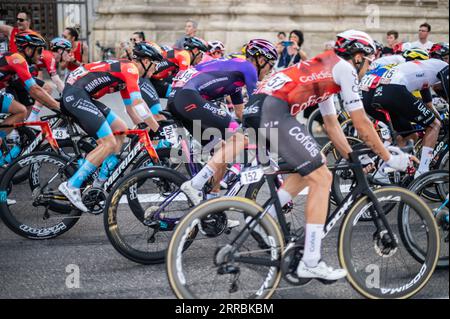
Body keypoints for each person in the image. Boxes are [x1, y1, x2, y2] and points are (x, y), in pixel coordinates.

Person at [181, 30, 413, 280]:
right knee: (322, 177)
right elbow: (362, 124)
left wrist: (352, 157)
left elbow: (332, 125)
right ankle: (311, 260)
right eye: (368, 62)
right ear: (358, 57)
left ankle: (267, 216)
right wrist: (389, 158)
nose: (368, 68)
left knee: (313, 165)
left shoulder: (325, 67)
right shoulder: (344, 69)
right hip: (273, 112)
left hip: (259, 110)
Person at [58, 45, 162, 212]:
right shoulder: (131, 69)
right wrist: (157, 128)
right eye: (156, 64)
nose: (157, 69)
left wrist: (143, 128)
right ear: (146, 61)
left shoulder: (127, 74)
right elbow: (139, 103)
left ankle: (100, 181)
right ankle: (72, 185)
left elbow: (131, 109)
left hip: (81, 93)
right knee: (108, 143)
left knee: (121, 129)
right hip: (76, 94)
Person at [173, 39, 277, 198]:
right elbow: (257, 102)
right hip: (188, 97)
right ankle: (195, 185)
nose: (271, 70)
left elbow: (242, 113)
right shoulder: (248, 67)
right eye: (271, 64)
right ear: (261, 60)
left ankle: (212, 207)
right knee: (240, 139)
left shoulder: (235, 76)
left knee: (221, 150)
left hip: (179, 100)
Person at [369, 57, 447, 178]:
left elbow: (429, 103)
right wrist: (440, 121)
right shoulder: (444, 67)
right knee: (434, 125)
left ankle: (382, 173)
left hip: (380, 92)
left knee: (409, 136)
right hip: (395, 89)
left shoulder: (425, 71)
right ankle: (423, 172)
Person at [0, 31, 60, 165]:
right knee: (20, 110)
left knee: (20, 110)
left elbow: (34, 89)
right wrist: (57, 107)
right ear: (28, 49)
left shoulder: (15, 59)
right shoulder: (18, 59)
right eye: (39, 50)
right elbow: (34, 90)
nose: (41, 55)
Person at [25, 37, 72, 123]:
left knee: (30, 106)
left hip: (23, 75)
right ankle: (32, 119)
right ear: (60, 50)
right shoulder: (50, 57)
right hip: (21, 75)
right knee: (48, 89)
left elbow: (39, 77)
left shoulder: (45, 55)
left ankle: (21, 129)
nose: (69, 54)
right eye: (68, 51)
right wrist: (67, 95)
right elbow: (56, 80)